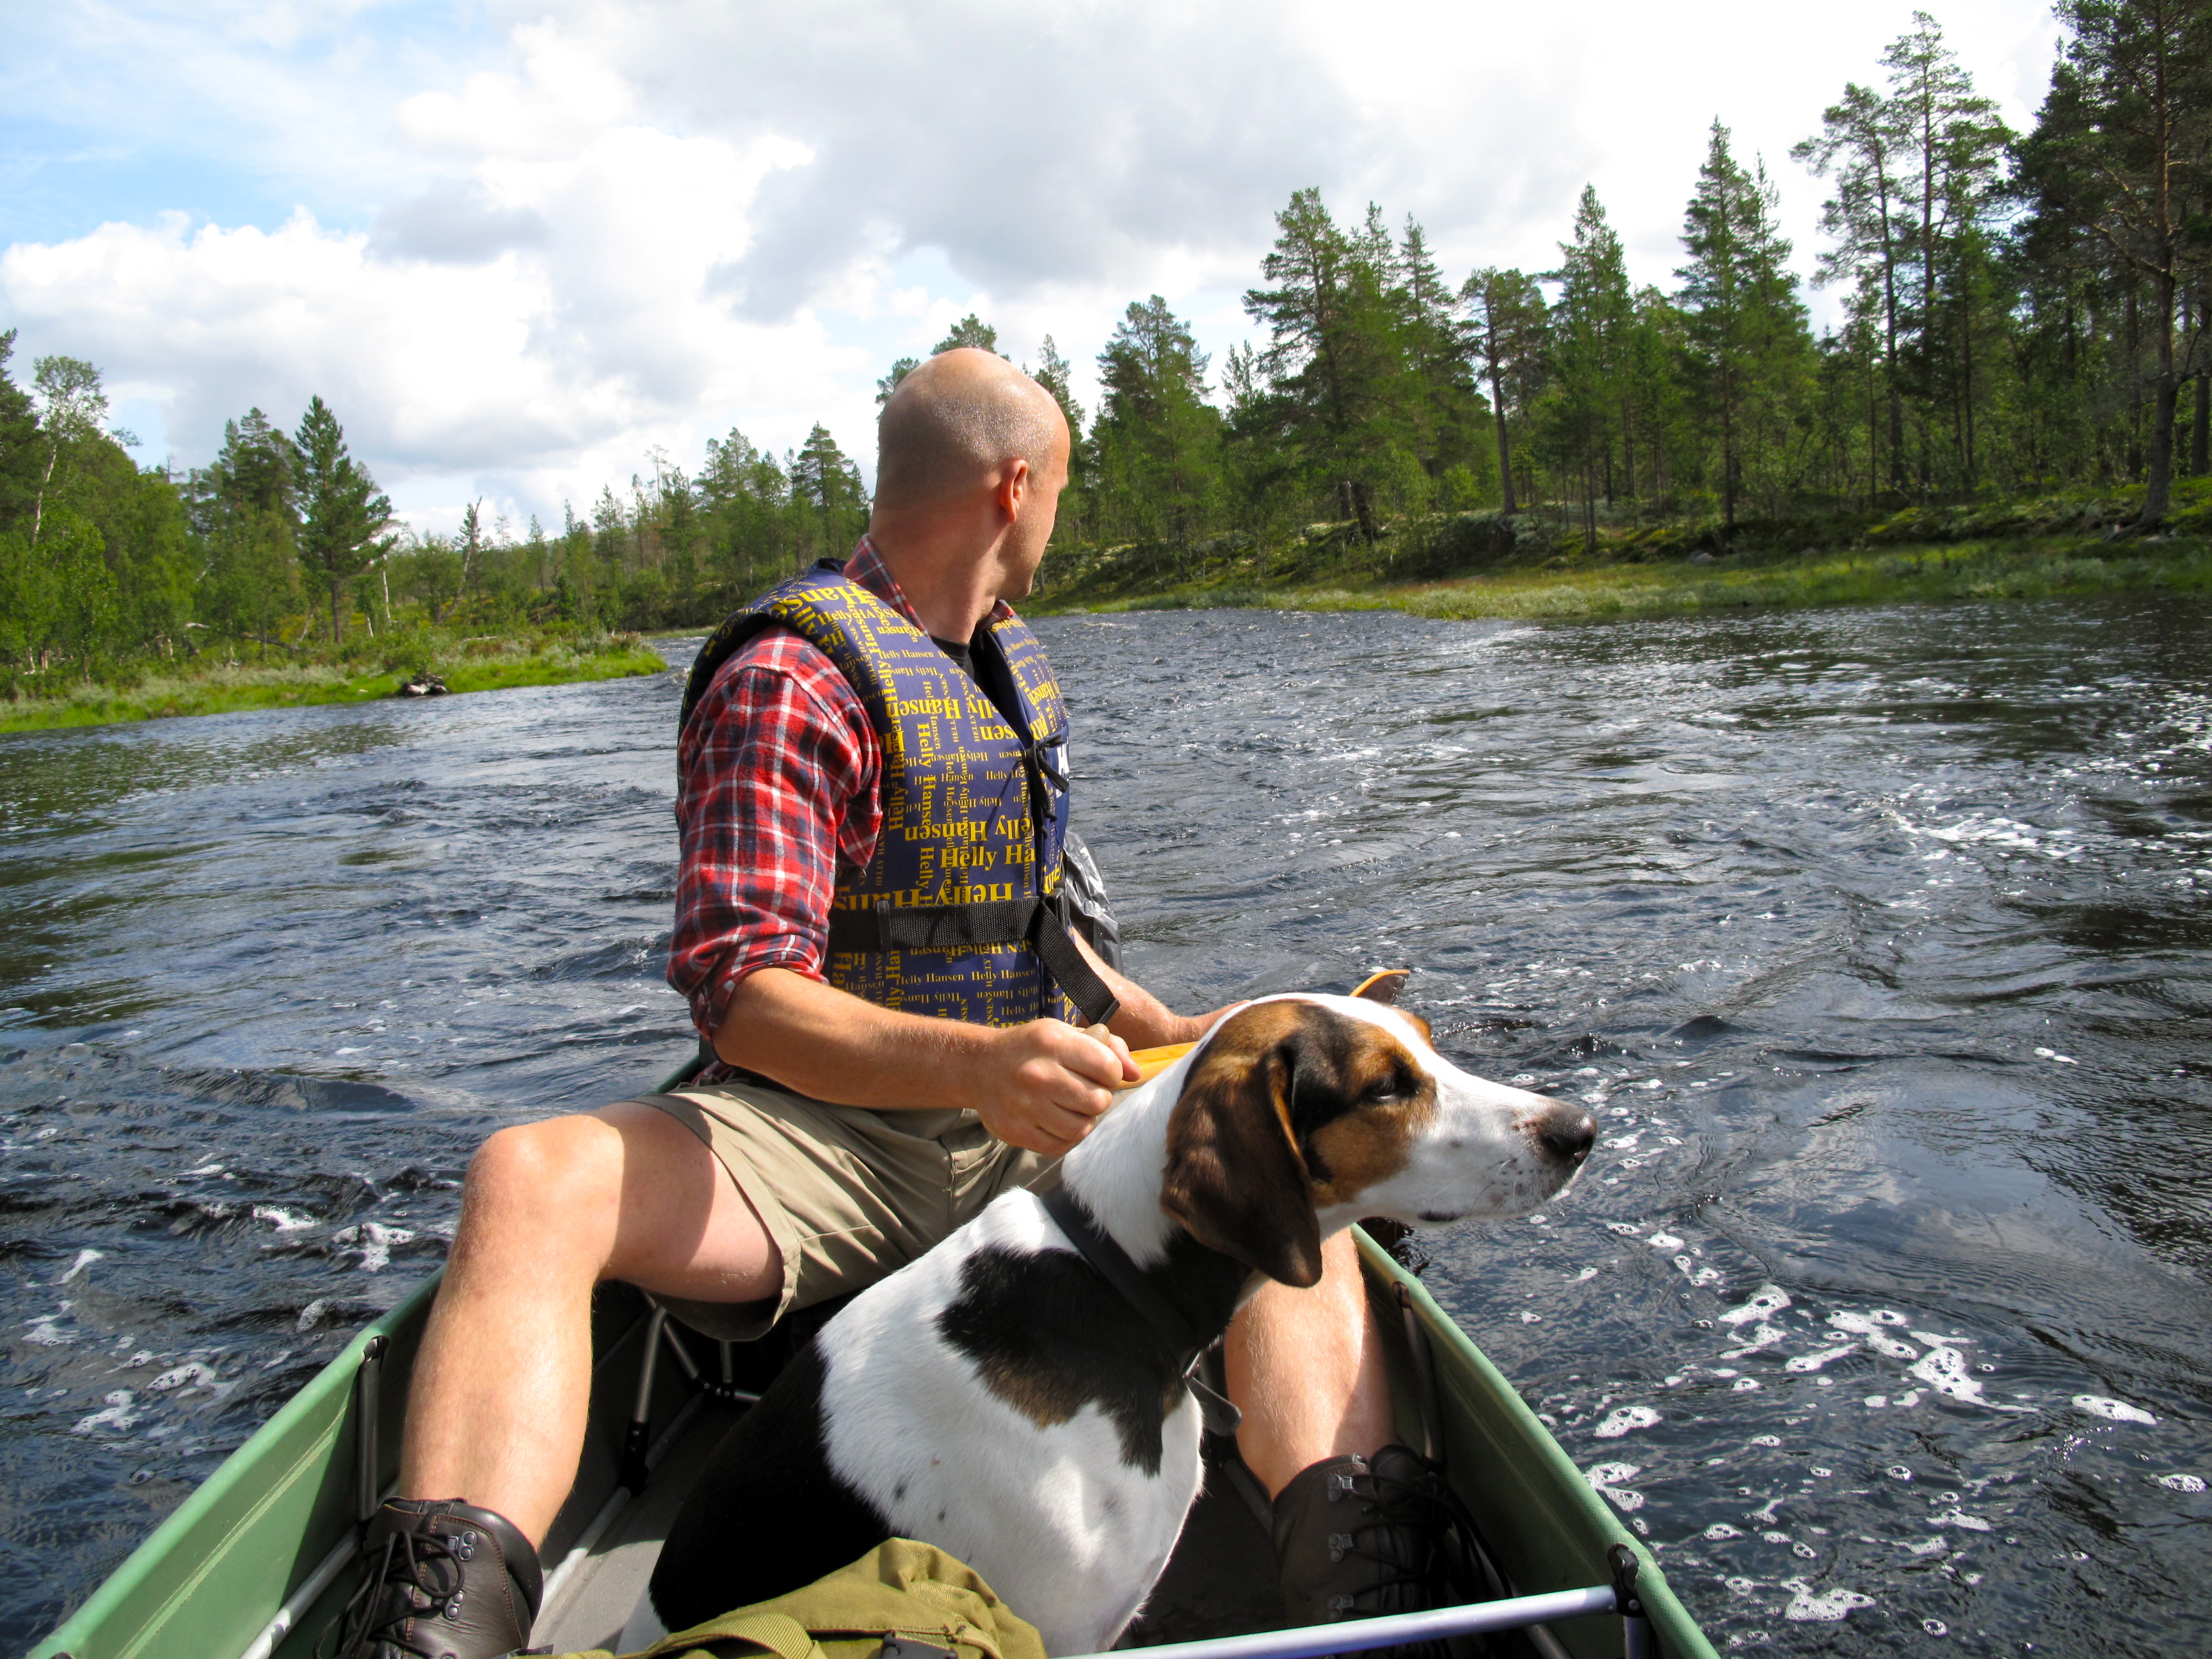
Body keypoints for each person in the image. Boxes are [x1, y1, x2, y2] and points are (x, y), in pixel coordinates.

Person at [333, 350, 1444, 1659]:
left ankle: (1367, 1593)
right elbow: (741, 994)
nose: (1059, 516)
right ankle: (437, 1627)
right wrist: (975, 1067)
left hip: (1025, 1122)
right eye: (1061, 490)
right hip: (825, 1138)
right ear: (1014, 488)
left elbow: (1045, 932)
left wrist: (1182, 1037)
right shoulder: (791, 676)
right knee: (530, 1180)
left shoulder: (1007, 667)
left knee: (1284, 1168)